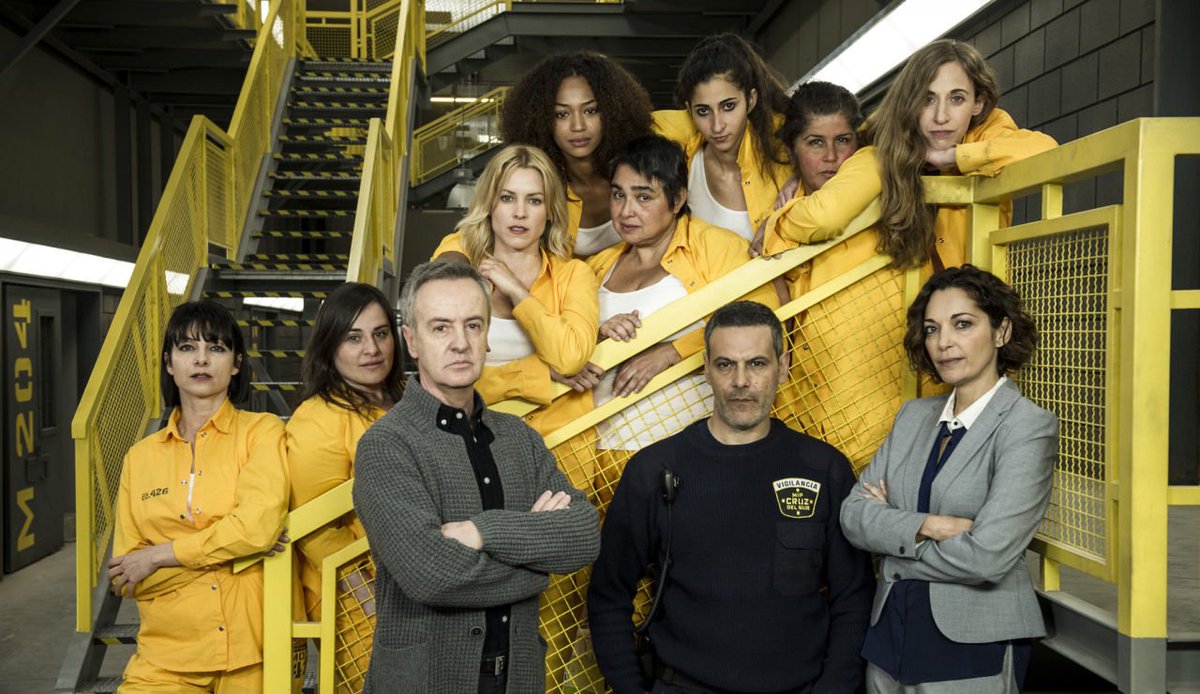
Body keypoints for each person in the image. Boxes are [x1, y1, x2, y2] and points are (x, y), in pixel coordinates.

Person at [588, 300, 874, 693]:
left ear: (783, 367)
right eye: (726, 364)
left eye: (757, 363)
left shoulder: (823, 468)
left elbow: (854, 597)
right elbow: (608, 595)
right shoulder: (654, 470)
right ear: (706, 367)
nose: (741, 381)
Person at [352, 260, 601, 694]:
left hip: (518, 679)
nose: (460, 343)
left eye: (472, 325)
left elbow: (583, 534)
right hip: (425, 683)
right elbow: (431, 574)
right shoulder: (387, 445)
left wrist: (482, 532)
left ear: (487, 337)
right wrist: (537, 564)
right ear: (412, 340)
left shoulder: (519, 437)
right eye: (440, 328)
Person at [840, 265, 1058, 692]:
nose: (944, 342)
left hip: (971, 645)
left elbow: (988, 557)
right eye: (932, 329)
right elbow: (853, 514)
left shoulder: (1027, 426)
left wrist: (894, 546)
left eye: (962, 324)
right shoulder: (913, 416)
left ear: (1001, 331)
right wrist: (928, 526)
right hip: (888, 639)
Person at [559, 134, 779, 454]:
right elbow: (560, 343)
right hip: (600, 455)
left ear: (677, 200)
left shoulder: (717, 247)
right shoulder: (595, 268)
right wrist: (595, 336)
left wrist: (671, 352)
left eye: (643, 197)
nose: (626, 211)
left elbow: (764, 322)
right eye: (618, 195)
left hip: (692, 452)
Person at [109, 300, 289, 692]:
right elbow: (127, 577)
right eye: (188, 348)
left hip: (253, 651)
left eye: (216, 348)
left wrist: (158, 555)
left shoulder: (262, 432)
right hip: (165, 657)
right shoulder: (140, 458)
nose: (202, 359)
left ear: (236, 363)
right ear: (169, 363)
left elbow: (256, 529)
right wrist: (233, 550)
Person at [759, 39, 1057, 271]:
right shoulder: (887, 135)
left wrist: (954, 157)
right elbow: (842, 143)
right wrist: (797, 174)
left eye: (957, 98)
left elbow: (1045, 151)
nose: (941, 116)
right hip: (914, 301)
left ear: (978, 103)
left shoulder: (989, 129)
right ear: (910, 102)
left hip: (978, 296)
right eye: (928, 99)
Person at [767, 82, 907, 472]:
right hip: (805, 405)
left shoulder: (874, 167)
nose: (831, 157)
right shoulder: (786, 200)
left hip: (876, 407)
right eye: (815, 143)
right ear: (792, 149)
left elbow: (827, 216)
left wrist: (776, 223)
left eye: (842, 140)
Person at [431, 145, 599, 438]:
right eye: (507, 198)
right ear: (489, 204)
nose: (520, 213)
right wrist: (537, 374)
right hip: (470, 442)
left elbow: (570, 359)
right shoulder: (459, 274)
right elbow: (441, 380)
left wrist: (516, 290)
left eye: (534, 200)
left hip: (559, 447)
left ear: (550, 211)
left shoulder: (574, 274)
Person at [286, 282, 404, 692]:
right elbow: (317, 531)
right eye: (353, 338)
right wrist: (371, 601)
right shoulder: (317, 418)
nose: (372, 349)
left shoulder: (405, 400)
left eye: (380, 333)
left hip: (410, 588)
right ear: (330, 347)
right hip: (357, 601)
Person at [500, 51, 654, 256]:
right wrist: (457, 258)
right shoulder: (535, 182)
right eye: (562, 114)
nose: (578, 126)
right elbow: (475, 232)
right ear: (541, 120)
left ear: (613, 112)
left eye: (590, 111)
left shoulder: (647, 162)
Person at [654, 32, 792, 243]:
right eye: (703, 111)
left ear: (751, 100)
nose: (717, 126)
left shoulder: (786, 160)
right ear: (689, 110)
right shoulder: (682, 168)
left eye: (728, 107)